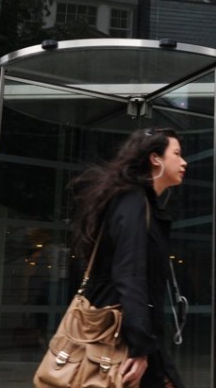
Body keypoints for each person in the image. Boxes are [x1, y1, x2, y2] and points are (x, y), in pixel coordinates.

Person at [68, 127, 188, 388]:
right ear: (155, 158)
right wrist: (139, 347)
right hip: (121, 338)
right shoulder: (132, 203)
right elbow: (129, 275)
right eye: (176, 154)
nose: (183, 162)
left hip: (136, 335)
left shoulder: (142, 204)